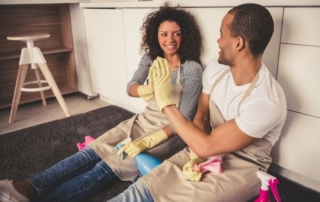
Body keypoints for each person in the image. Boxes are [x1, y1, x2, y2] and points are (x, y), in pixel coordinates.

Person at [0, 3, 204, 202]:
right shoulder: (151, 58)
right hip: (141, 121)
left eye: (176, 33)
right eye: (164, 34)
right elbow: (131, 86)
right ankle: (27, 187)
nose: (170, 39)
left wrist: (145, 142)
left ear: (184, 35)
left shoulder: (191, 69)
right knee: (93, 151)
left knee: (107, 167)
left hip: (166, 133)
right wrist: (146, 89)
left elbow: (183, 120)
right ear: (156, 35)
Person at [108, 3, 287, 202]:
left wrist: (165, 102)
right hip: (204, 147)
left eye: (221, 34)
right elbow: (201, 117)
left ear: (238, 43)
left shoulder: (267, 100)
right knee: (143, 189)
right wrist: (193, 154)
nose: (217, 41)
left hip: (242, 165)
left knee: (176, 197)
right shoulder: (216, 70)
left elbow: (207, 145)